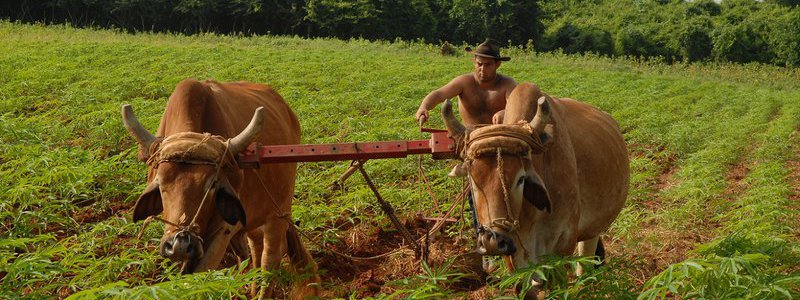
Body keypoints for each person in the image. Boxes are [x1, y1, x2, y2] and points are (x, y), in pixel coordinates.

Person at [415, 38, 517, 128]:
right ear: (474, 61)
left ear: (497, 64)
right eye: (479, 64)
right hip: (468, 137)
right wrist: (423, 107)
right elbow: (439, 94)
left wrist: (506, 113)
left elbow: (517, 108)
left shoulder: (507, 84)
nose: (483, 69)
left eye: (488, 65)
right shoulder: (464, 82)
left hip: (501, 135)